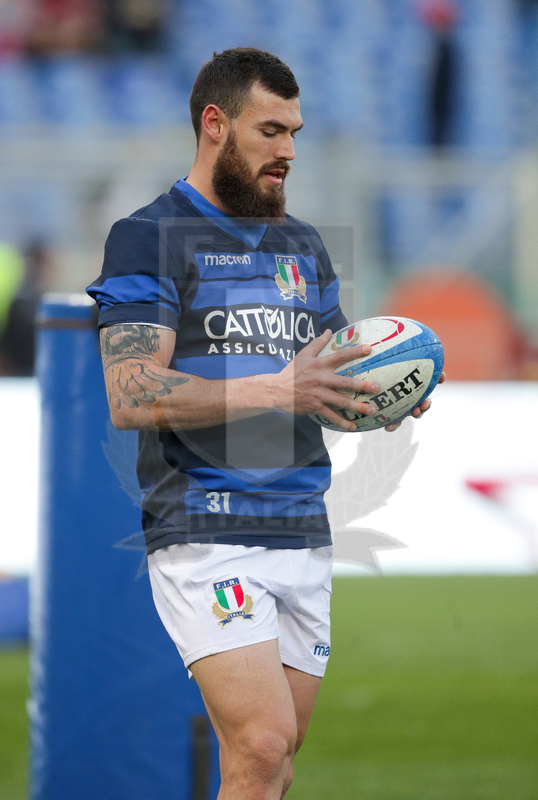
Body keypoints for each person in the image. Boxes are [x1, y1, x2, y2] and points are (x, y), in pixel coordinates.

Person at [87, 48, 445, 800]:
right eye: (270, 131)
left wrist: (380, 397)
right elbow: (131, 392)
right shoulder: (146, 235)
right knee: (262, 740)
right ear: (214, 124)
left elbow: (327, 379)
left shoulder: (301, 246)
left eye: (295, 133)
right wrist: (279, 387)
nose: (287, 152)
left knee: (271, 763)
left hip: (300, 527)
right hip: (203, 526)